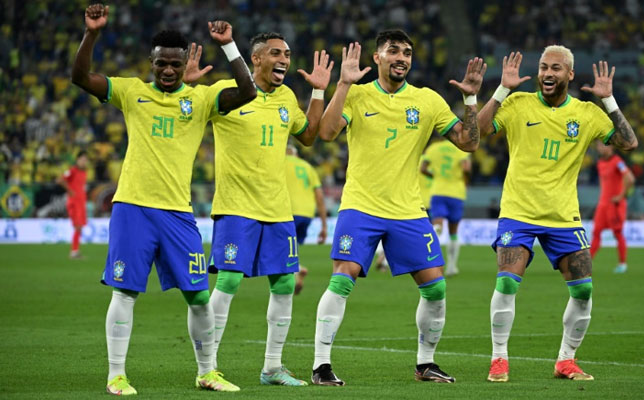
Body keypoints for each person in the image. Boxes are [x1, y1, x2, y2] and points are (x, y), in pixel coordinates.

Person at [71, 4, 256, 395]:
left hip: (177, 212)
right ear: (151, 63)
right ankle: (116, 375)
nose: (168, 70)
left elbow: (247, 91)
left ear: (184, 60)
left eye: (174, 63)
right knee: (125, 290)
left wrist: (229, 46)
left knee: (199, 296)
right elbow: (80, 76)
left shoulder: (202, 99)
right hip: (133, 207)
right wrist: (91, 34)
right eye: (161, 64)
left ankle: (207, 372)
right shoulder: (130, 91)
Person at [312, 30, 486, 385]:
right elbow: (326, 132)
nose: (401, 57)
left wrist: (470, 100)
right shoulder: (358, 95)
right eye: (393, 51)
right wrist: (343, 84)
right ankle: (321, 365)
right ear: (377, 57)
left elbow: (468, 142)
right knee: (343, 277)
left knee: (436, 288)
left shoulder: (427, 101)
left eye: (407, 52)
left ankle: (425, 363)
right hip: (360, 206)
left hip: (408, 210)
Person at [476, 47, 638, 382]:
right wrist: (502, 89)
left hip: (563, 216)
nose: (548, 73)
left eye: (556, 68)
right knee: (507, 281)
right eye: (543, 67)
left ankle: (566, 360)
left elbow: (628, 142)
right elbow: (476, 132)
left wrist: (609, 100)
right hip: (518, 212)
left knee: (583, 291)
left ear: (569, 75)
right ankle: (499, 359)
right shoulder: (518, 104)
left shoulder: (587, 113)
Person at [185, 32, 333, 386]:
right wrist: (188, 90)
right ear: (256, 59)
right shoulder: (227, 92)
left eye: (287, 53)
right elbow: (188, 115)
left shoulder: (285, 96)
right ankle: (209, 366)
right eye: (276, 53)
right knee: (230, 279)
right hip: (236, 206)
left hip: (278, 209)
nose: (284, 59)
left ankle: (272, 367)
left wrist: (317, 92)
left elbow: (309, 135)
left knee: (284, 283)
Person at [421, 136, 471, 276]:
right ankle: (452, 266)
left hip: (438, 191)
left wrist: (435, 177)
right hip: (456, 192)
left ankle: (430, 259)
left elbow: (423, 169)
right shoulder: (460, 148)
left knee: (437, 224)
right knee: (453, 232)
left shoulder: (432, 148)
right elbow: (466, 167)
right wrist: (465, 181)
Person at [284, 144, 328, 294]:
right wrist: (324, 226)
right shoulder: (308, 167)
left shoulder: (279, 162)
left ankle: (297, 270)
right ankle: (296, 269)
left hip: (286, 212)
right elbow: (320, 197)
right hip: (307, 214)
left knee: (277, 247)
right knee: (290, 247)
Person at [590, 140, 635, 273]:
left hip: (614, 205)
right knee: (596, 233)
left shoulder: (617, 161)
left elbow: (630, 178)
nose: (599, 147)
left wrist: (621, 196)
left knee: (617, 233)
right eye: (598, 145)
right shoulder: (600, 163)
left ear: (611, 147)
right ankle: (586, 263)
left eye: (602, 145)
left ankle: (622, 264)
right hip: (603, 204)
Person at [57, 150, 89, 259]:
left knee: (79, 227)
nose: (84, 162)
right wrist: (70, 191)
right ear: (77, 160)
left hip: (81, 203)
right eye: (82, 160)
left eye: (85, 160)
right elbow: (60, 180)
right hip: (74, 203)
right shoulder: (72, 171)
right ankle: (74, 252)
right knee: (78, 226)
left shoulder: (84, 172)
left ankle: (75, 250)